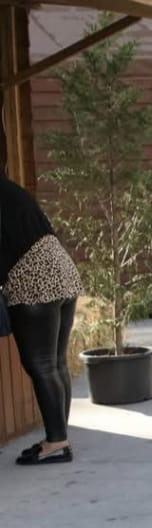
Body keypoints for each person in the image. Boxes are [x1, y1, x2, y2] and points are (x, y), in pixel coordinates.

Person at [0, 171, 83, 466]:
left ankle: (57, 441)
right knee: (56, 362)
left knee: (42, 364)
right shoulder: (11, 190)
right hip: (62, 270)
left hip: (33, 277)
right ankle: (58, 437)